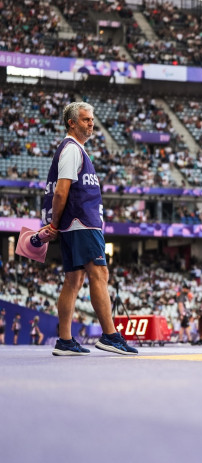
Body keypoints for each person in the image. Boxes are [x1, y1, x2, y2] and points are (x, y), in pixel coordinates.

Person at [42, 102, 138, 356]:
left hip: (74, 222)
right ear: (71, 122)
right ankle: (109, 335)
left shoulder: (75, 150)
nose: (91, 123)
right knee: (100, 273)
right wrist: (54, 223)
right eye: (85, 119)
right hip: (80, 221)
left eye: (92, 119)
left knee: (74, 279)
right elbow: (61, 192)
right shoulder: (72, 150)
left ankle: (64, 341)